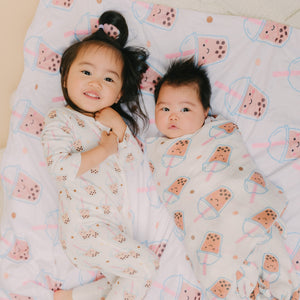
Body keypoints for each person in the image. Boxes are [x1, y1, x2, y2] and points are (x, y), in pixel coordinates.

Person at [145, 58, 299, 298]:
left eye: (185, 109)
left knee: (268, 243)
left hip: (245, 207)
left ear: (206, 111)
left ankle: (289, 290)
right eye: (165, 109)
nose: (173, 116)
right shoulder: (156, 151)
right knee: (216, 272)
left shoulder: (220, 132)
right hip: (204, 226)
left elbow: (239, 164)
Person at [41, 10, 159, 300]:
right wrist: (104, 149)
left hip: (107, 227)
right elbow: (60, 168)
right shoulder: (60, 119)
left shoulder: (109, 124)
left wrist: (119, 129)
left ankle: (70, 297)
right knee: (146, 265)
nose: (96, 83)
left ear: (118, 95)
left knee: (128, 275)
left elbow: (131, 163)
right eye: (86, 72)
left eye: (108, 79)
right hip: (83, 228)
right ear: (66, 79)